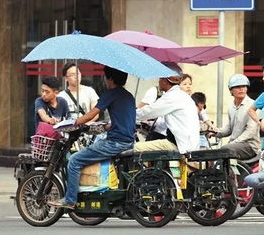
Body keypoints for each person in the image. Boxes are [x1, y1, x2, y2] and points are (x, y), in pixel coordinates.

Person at [48, 66, 136, 209]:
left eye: (105, 77)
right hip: (128, 140)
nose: (104, 80)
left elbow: (91, 114)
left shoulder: (110, 94)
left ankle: (70, 200)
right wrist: (108, 126)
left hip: (115, 143)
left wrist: (74, 123)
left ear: (110, 79)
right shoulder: (129, 95)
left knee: (75, 160)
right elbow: (125, 119)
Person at [135, 65, 200, 154]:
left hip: (179, 145)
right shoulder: (182, 96)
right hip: (188, 144)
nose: (159, 81)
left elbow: (148, 111)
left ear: (166, 81)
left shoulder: (172, 96)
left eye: (161, 78)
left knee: (135, 148)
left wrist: (128, 115)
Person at [211, 74, 260, 160]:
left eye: (244, 86)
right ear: (231, 90)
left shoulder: (252, 106)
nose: (241, 89)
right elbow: (228, 129)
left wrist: (233, 143)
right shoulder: (231, 107)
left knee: (225, 149)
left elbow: (250, 131)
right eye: (237, 86)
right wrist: (214, 133)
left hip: (249, 145)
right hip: (235, 145)